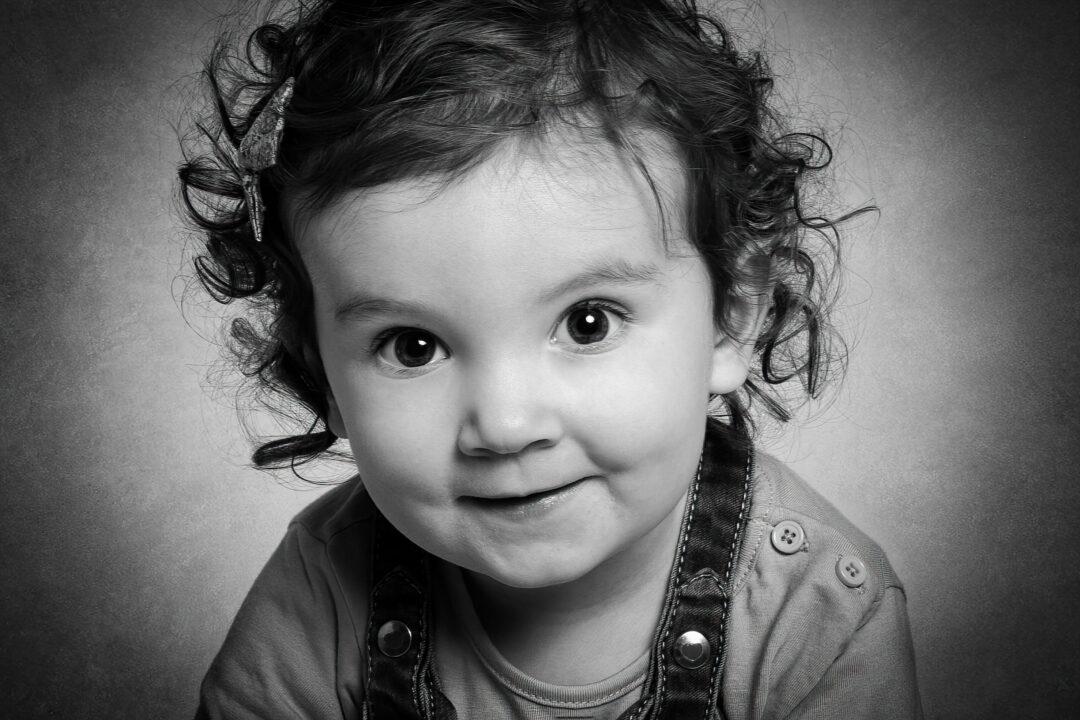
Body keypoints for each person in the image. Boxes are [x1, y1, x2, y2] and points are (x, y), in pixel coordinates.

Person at [180, 1, 922, 717]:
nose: (505, 426)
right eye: (414, 346)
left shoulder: (814, 612)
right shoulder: (325, 587)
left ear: (731, 319)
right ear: (322, 370)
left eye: (588, 322)